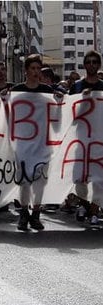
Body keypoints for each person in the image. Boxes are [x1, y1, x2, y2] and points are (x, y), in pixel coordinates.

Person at [7, 54, 55, 231]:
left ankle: (36, 215)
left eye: (38, 68)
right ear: (26, 70)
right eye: (32, 68)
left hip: (42, 143)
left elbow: (57, 112)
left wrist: (59, 99)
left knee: (40, 181)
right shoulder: (17, 90)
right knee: (25, 181)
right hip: (23, 143)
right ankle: (24, 214)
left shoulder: (47, 91)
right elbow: (8, 111)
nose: (35, 72)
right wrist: (4, 98)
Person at [68, 50, 103, 226]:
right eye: (88, 61)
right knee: (80, 176)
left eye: (95, 61)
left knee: (99, 177)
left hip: (99, 139)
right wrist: (82, 100)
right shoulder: (77, 87)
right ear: (84, 64)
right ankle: (83, 204)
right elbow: (69, 113)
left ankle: (94, 210)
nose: (91, 64)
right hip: (81, 138)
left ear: (99, 65)